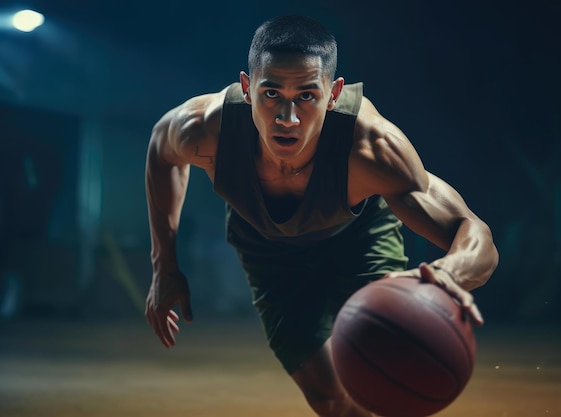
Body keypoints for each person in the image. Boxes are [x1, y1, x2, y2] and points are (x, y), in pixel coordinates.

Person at [144, 14, 499, 417]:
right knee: (329, 399)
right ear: (247, 88)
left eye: (307, 96)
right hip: (268, 251)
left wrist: (451, 274)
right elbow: (161, 149)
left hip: (358, 239)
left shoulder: (372, 148)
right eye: (271, 93)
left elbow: (473, 232)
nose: (288, 118)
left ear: (333, 93)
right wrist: (164, 266)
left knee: (387, 370)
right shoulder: (206, 128)